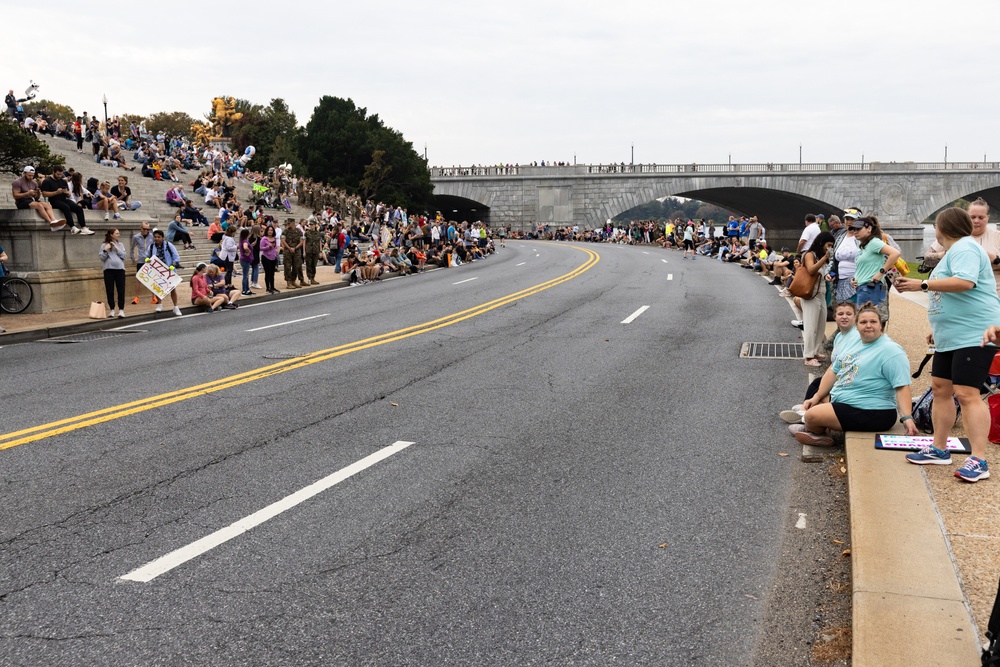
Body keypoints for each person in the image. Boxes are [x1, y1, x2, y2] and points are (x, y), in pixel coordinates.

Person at [896, 207, 1000, 482]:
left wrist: (923, 286)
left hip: (974, 334)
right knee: (940, 389)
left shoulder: (965, 248)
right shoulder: (956, 251)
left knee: (967, 394)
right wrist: (937, 326)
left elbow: (965, 282)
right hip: (951, 335)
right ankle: (939, 449)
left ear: (942, 228)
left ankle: (979, 459)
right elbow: (950, 295)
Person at [789, 302, 918, 447]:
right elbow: (833, 371)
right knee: (818, 395)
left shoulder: (891, 351)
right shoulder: (854, 343)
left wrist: (907, 417)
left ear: (880, 325)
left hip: (873, 411)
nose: (868, 325)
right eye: (863, 322)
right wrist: (816, 396)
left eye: (873, 322)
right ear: (856, 326)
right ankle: (813, 425)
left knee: (812, 415)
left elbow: (901, 386)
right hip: (847, 401)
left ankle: (814, 430)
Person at [922, 198, 1000, 298]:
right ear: (966, 217)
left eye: (981, 217)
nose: (976, 221)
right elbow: (927, 259)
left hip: (992, 296)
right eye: (973, 217)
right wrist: (944, 255)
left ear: (988, 218)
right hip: (957, 297)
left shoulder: (997, 237)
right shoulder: (951, 235)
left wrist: (995, 260)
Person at [851, 216, 901, 321]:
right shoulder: (864, 245)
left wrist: (881, 272)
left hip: (871, 288)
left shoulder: (874, 242)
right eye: (854, 229)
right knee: (865, 321)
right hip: (863, 287)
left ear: (869, 229)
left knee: (867, 321)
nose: (855, 232)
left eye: (858, 229)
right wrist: (855, 279)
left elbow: (895, 253)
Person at [801, 232, 835, 366]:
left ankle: (814, 351)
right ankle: (808, 357)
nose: (829, 248)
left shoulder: (822, 257)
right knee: (810, 326)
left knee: (821, 325)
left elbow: (821, 274)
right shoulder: (810, 255)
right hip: (810, 295)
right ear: (821, 243)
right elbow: (811, 270)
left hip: (821, 293)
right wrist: (824, 258)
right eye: (828, 245)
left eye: (831, 246)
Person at [41, 165, 91, 235]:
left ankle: (83, 227)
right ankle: (72, 227)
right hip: (54, 201)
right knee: (66, 207)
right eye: (58, 174)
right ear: (53, 172)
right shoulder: (47, 181)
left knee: (78, 208)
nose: (59, 176)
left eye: (61, 175)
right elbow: (44, 194)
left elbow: (68, 193)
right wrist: (56, 192)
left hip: (63, 199)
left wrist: (67, 193)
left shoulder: (63, 181)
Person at [145, 229, 183, 316]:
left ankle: (176, 307)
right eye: (155, 237)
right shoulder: (151, 247)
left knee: (172, 289)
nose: (157, 239)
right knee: (158, 288)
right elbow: (147, 256)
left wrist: (173, 264)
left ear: (162, 237)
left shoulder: (169, 245)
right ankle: (160, 304)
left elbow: (176, 256)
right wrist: (147, 259)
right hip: (157, 270)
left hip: (168, 269)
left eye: (159, 237)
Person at [99, 228, 127, 317]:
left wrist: (117, 249)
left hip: (120, 270)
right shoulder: (104, 245)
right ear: (111, 235)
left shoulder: (120, 245)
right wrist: (105, 250)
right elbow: (102, 258)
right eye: (117, 233)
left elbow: (124, 256)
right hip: (108, 270)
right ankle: (112, 309)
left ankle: (121, 309)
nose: (118, 235)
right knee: (109, 290)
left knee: (121, 290)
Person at [259, 225, 280, 294]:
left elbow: (276, 247)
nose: (270, 232)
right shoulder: (264, 239)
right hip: (266, 257)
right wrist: (268, 247)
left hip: (273, 257)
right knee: (267, 273)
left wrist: (276, 251)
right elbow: (261, 248)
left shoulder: (274, 239)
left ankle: (273, 287)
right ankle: (268, 288)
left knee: (272, 273)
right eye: (269, 230)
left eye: (271, 230)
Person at [238, 227, 256, 296]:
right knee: (245, 275)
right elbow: (245, 247)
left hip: (244, 259)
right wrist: (248, 250)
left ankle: (247, 289)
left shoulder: (242, 240)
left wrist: (250, 246)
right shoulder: (245, 241)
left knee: (246, 275)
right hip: (246, 259)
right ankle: (244, 290)